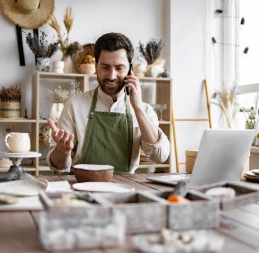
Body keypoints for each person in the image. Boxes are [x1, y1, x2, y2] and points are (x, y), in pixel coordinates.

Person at [47, 32, 170, 174]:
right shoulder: (74, 106)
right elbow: (58, 167)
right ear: (96, 66)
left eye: (119, 68)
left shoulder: (144, 110)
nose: (111, 76)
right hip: (82, 189)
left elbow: (160, 157)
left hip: (125, 190)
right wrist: (62, 151)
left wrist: (138, 108)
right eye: (105, 67)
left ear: (130, 69)